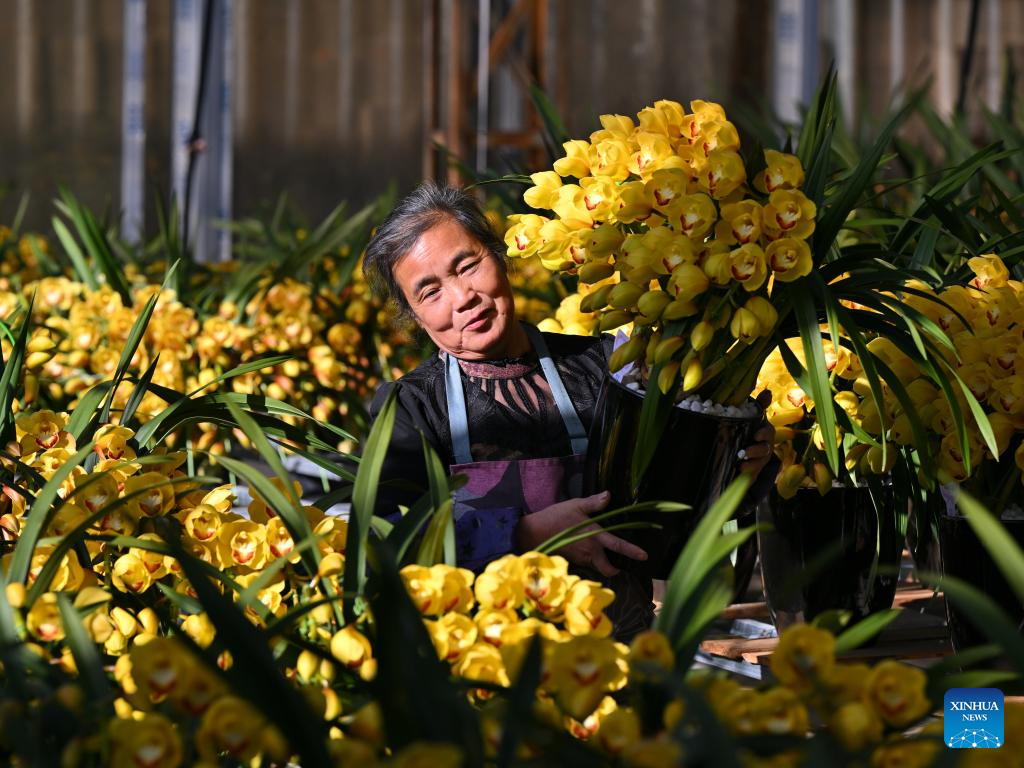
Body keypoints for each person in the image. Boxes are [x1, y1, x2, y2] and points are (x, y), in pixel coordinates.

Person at [363, 183, 775, 640]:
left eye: (468, 266)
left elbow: (675, 507)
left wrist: (738, 466)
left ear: (500, 256)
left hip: (616, 657)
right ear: (416, 319)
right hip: (484, 667)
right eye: (430, 293)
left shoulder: (608, 367)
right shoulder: (413, 407)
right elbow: (389, 542)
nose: (463, 298)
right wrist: (523, 536)